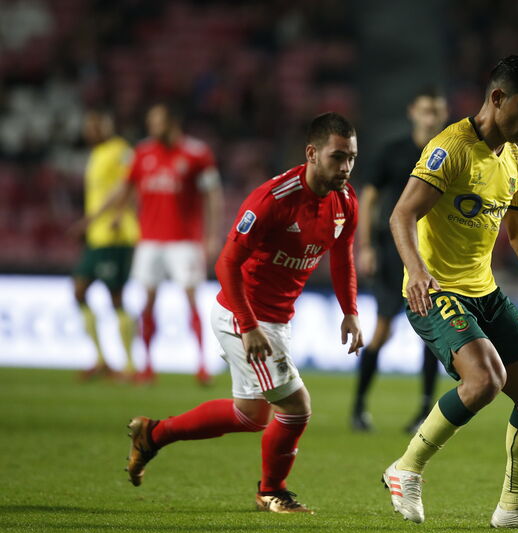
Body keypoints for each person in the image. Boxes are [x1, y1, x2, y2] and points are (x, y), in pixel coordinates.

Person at [381, 55, 518, 530]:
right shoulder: (450, 149)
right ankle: (406, 469)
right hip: (436, 291)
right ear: (497, 99)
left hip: (485, 292)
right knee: (484, 381)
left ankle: (513, 507)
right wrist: (416, 271)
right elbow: (401, 215)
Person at [125, 112, 363, 512]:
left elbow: (342, 258)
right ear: (311, 153)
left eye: (352, 157)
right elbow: (225, 265)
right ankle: (272, 491)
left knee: (251, 415)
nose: (346, 167)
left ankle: (153, 434)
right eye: (338, 157)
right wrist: (249, 325)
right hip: (244, 314)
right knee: (296, 407)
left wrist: (350, 311)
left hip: (277, 319)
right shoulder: (273, 199)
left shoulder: (345, 202)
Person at [91, 102, 223, 385]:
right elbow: (125, 187)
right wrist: (114, 215)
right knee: (148, 302)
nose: (151, 127)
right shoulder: (142, 153)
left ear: (172, 122)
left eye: (157, 122)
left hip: (184, 241)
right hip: (149, 240)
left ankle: (201, 364)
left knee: (191, 300)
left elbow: (213, 196)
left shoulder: (197, 154)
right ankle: (147, 365)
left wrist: (212, 236)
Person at [351, 88, 448, 433]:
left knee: (432, 334)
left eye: (436, 111)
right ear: (413, 112)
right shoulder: (394, 152)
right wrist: (365, 246)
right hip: (394, 252)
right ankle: (359, 406)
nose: (431, 117)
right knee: (383, 328)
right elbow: (370, 198)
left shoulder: (450, 154)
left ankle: (424, 411)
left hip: (434, 254)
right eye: (426, 110)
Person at [72, 109, 139, 380]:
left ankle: (130, 367)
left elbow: (131, 185)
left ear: (104, 126)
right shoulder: (97, 154)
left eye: (93, 126)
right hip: (97, 237)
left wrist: (120, 215)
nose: (88, 132)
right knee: (79, 290)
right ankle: (101, 360)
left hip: (116, 235)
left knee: (116, 298)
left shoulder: (120, 150)